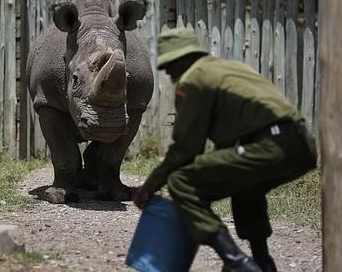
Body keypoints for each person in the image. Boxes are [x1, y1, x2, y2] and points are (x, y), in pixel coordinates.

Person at [134, 27, 317, 272]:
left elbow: (186, 149)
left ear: (185, 58)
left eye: (169, 64)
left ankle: (236, 262)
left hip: (270, 144)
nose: (167, 72)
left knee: (181, 181)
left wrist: (149, 186)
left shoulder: (194, 78)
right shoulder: (231, 68)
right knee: (245, 186)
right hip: (301, 145)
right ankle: (263, 262)